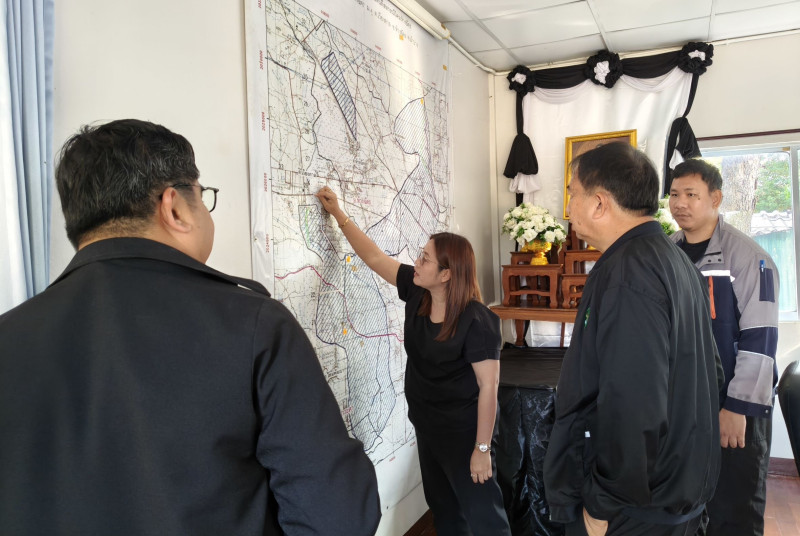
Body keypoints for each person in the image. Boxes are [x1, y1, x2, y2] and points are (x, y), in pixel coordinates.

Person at [0, 119, 380, 536]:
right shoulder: (254, 324)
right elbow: (336, 518)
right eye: (203, 197)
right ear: (175, 208)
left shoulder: (10, 335)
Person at [544, 141, 721, 536]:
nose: (568, 208)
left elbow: (633, 402)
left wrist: (602, 503)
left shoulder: (629, 271)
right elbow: (713, 371)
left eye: (573, 193)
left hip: (636, 507)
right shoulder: (675, 260)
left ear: (599, 203)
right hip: (675, 489)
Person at [315, 186, 511, 536]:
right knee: (444, 510)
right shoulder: (419, 292)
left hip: (465, 433)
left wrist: (482, 449)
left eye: (425, 258)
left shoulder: (477, 321)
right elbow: (375, 258)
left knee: (484, 518)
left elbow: (489, 387)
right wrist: (339, 214)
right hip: (427, 424)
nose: (416, 262)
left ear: (446, 274)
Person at [669, 158, 779, 536]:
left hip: (733, 405)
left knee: (735, 508)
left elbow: (761, 340)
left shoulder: (749, 258)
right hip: (686, 403)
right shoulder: (667, 253)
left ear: (715, 199)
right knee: (687, 506)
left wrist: (737, 407)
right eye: (674, 194)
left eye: (691, 194)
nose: (680, 203)